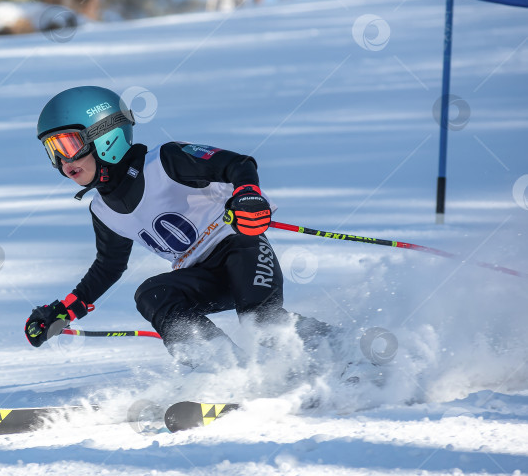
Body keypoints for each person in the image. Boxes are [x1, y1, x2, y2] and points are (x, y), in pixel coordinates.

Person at [24, 85, 331, 370]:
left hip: (242, 249)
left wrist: (247, 195)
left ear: (106, 135)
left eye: (69, 144)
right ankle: (224, 370)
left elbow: (239, 164)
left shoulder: (165, 161)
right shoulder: (103, 210)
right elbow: (108, 266)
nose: (64, 161)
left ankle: (339, 348)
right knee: (152, 294)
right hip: (202, 274)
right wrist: (64, 311)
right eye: (53, 151)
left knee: (261, 321)